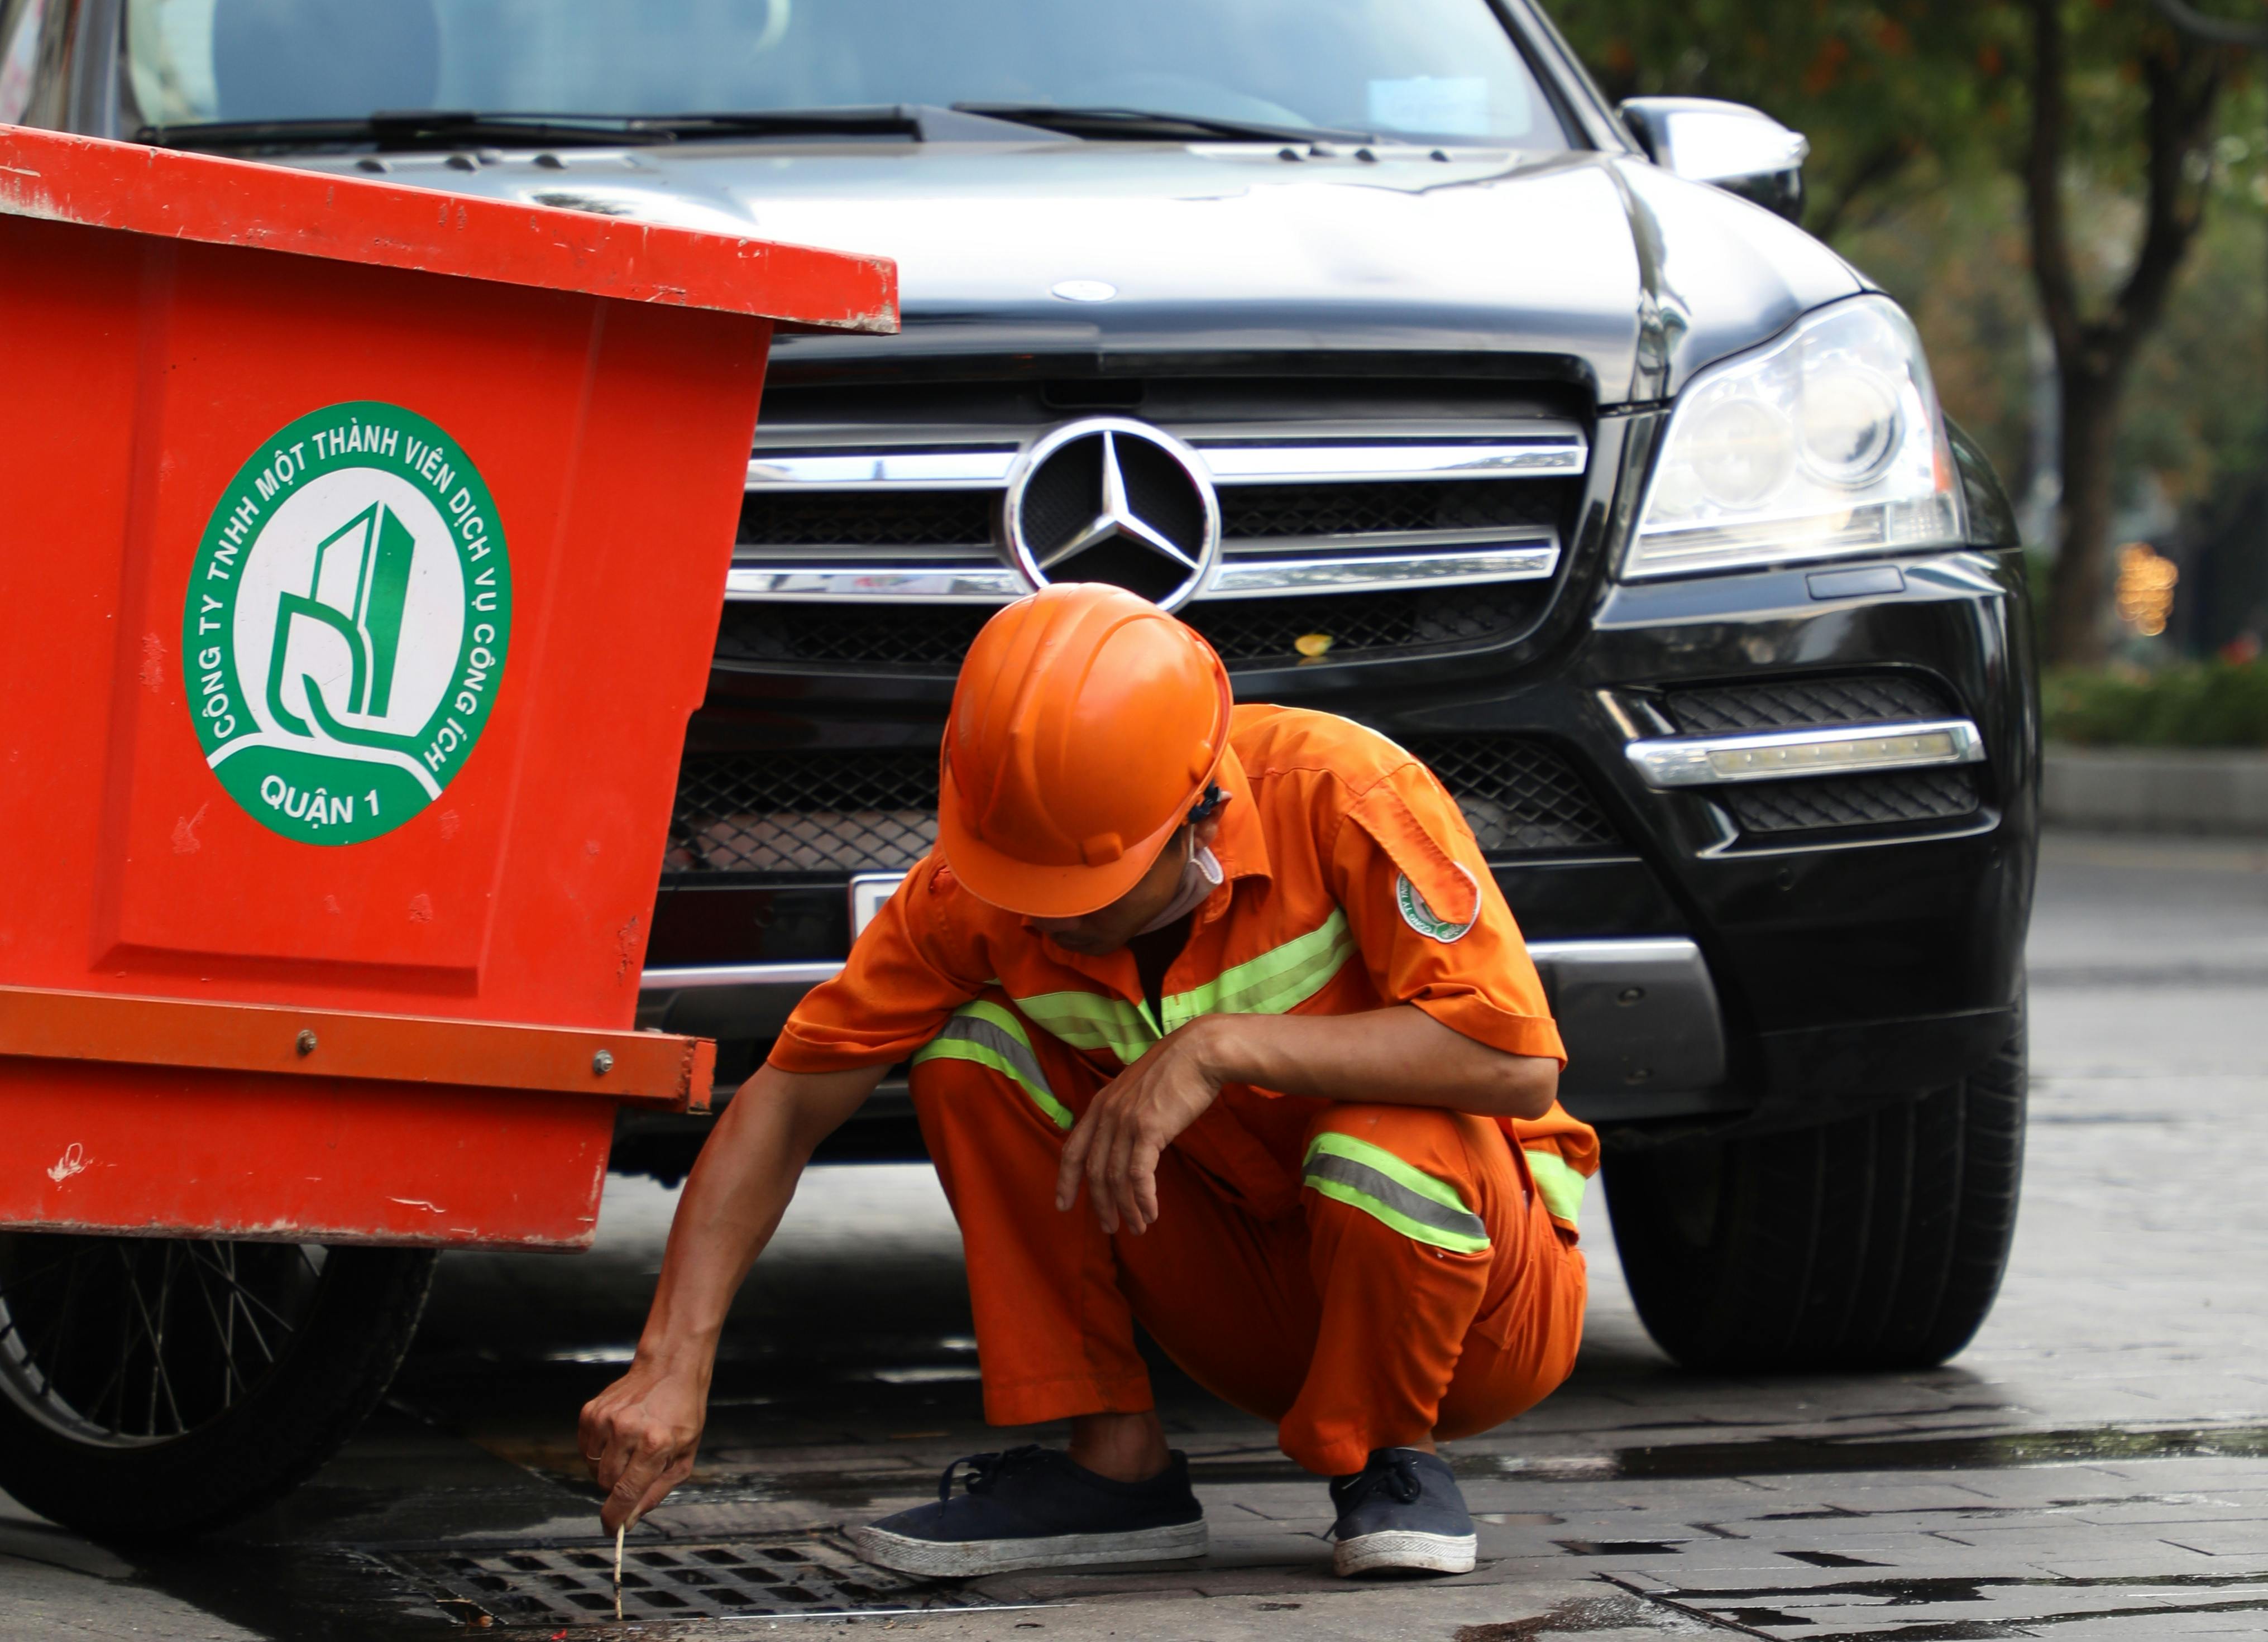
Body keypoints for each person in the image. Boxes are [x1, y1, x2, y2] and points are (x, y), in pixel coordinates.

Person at [579, 579, 1597, 1581]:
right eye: (1023, 885)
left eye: (1083, 891)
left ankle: (1392, 1459)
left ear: (1199, 815)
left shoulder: (1341, 793)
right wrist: (673, 1362)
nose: (1043, 918)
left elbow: (1513, 1062)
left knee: (1384, 1135)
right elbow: (790, 1097)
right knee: (970, 1051)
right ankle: (1116, 1469)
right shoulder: (984, 882)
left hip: (1482, 1319)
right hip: (1249, 1314)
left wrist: (1213, 1048)